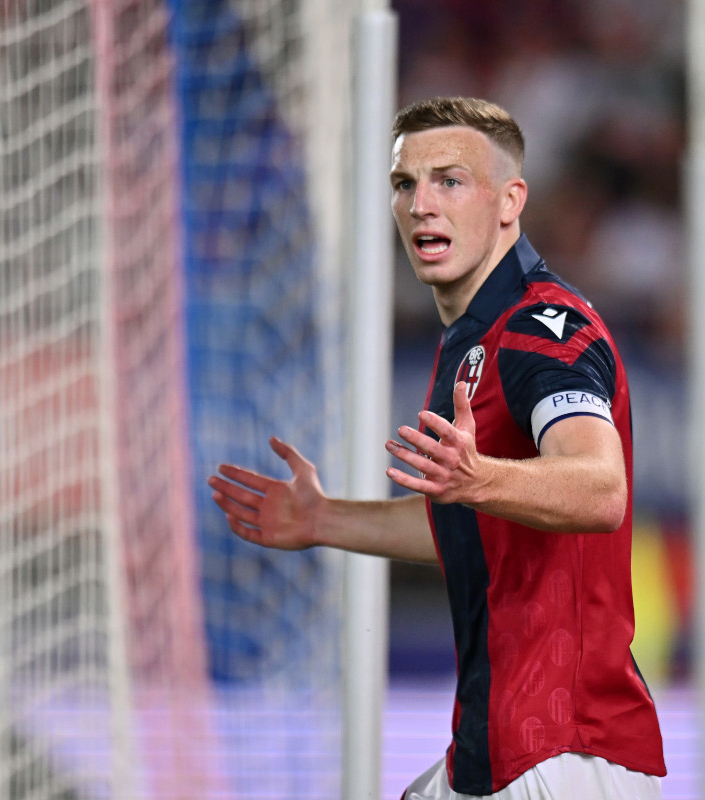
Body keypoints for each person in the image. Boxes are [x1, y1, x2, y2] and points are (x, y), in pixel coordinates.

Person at [208, 96, 666, 799]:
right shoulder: (471, 342)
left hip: (564, 752)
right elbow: (468, 524)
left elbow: (602, 488)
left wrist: (479, 478)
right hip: (494, 748)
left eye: (449, 180)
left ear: (510, 200)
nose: (422, 203)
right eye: (404, 183)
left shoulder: (542, 329)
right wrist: (326, 520)